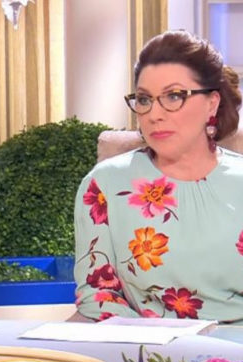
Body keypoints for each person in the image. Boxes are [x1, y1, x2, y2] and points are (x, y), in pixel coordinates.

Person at [71, 30, 242, 323]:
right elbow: (98, 296)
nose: (154, 114)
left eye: (174, 96)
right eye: (144, 99)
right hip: (146, 346)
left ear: (212, 103)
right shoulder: (105, 185)